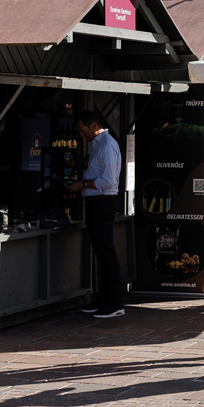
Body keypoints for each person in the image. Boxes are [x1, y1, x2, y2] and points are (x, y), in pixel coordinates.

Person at [69, 111, 125, 319]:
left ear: (93, 125)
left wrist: (82, 184)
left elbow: (108, 182)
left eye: (83, 131)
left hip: (103, 202)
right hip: (96, 203)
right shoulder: (99, 144)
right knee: (101, 252)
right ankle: (105, 298)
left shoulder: (107, 145)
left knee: (107, 252)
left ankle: (115, 302)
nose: (82, 135)